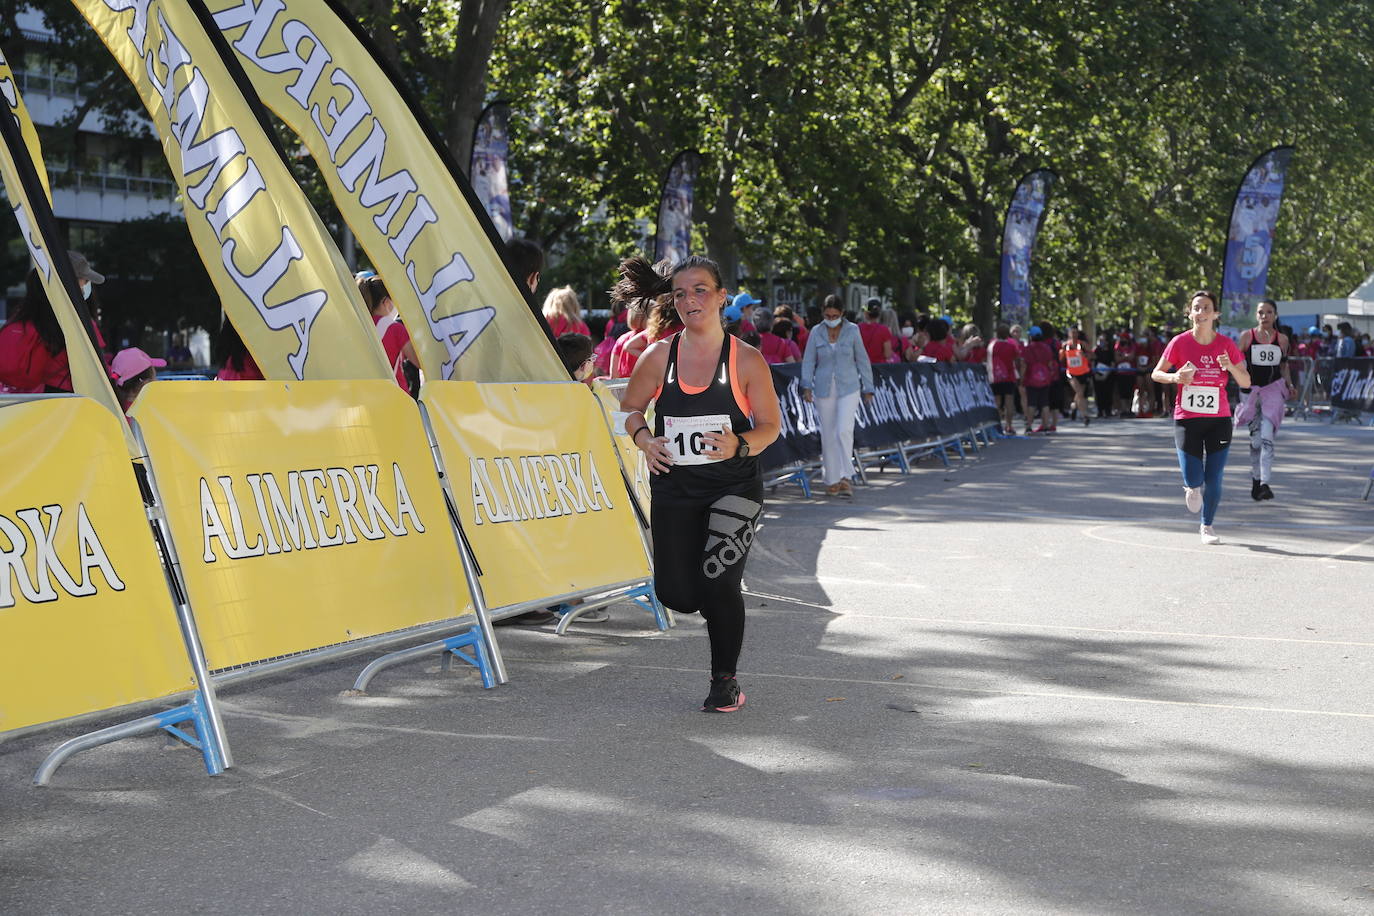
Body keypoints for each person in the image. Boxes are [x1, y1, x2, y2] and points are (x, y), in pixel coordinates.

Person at [619, 255, 782, 712]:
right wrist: (644, 439)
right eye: (681, 293)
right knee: (676, 593)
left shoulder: (746, 360)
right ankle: (717, 605)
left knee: (721, 583)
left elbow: (770, 425)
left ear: (721, 297)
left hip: (733, 487)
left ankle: (724, 680)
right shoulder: (659, 356)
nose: (690, 300)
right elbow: (630, 409)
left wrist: (739, 445)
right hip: (676, 486)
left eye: (700, 290)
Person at [1151, 290, 1251, 544]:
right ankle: (1191, 487)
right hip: (1187, 418)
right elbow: (1156, 373)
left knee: (1214, 477)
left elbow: (1246, 381)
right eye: (1197, 308)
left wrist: (1229, 366)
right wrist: (1175, 377)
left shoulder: (1226, 344)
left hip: (1219, 420)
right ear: (1190, 313)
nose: (1202, 312)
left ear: (1215, 314)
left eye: (1207, 308)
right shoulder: (1179, 342)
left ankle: (1207, 526)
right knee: (1194, 477)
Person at [0, 255, 108, 394]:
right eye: (85, 280)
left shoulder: (21, 318)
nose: (86, 285)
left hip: (24, 401)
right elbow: (98, 370)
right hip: (66, 400)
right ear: (69, 283)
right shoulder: (77, 323)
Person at [801, 294, 874, 497]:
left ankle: (846, 476)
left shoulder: (853, 330)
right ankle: (832, 479)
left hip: (849, 386)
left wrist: (869, 387)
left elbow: (862, 359)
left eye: (834, 314)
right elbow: (808, 361)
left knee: (844, 430)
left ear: (842, 314)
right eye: (827, 314)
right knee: (828, 435)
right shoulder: (816, 332)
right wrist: (806, 386)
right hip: (824, 388)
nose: (831, 317)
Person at [1233, 299, 1294, 501]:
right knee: (1256, 440)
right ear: (1256, 315)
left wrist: (1290, 385)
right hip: (1250, 392)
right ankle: (1255, 480)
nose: (1264, 316)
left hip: (1273, 391)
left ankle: (1265, 483)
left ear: (1275, 315)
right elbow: (1237, 362)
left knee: (1268, 437)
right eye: (1261, 312)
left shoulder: (1282, 340)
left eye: (1269, 312)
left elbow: (1283, 366)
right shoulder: (1246, 337)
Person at [358, 274, 419, 393]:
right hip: (395, 396)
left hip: (366, 397)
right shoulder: (395, 328)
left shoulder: (360, 326)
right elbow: (420, 362)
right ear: (386, 302)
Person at [1019, 326, 1057, 433]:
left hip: (1031, 379)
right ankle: (1045, 426)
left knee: (1031, 403)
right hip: (1045, 378)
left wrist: (1021, 379)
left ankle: (1029, 426)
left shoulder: (1028, 349)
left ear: (1031, 336)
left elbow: (1024, 365)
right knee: (1045, 403)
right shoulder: (1047, 348)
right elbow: (1050, 363)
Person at [988, 323, 1022, 435]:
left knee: (997, 402)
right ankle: (1009, 425)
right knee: (1009, 402)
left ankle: (998, 426)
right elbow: (1017, 358)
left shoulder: (992, 344)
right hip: (1009, 376)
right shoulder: (1011, 345)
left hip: (995, 377)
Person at [110, 347, 165, 414]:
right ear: (144, 383)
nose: (157, 381)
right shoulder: (149, 413)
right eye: (154, 377)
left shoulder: (115, 411)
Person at [1060, 327, 1092, 425]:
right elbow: (1061, 359)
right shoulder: (1065, 345)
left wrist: (1084, 355)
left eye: (1075, 333)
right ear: (1069, 334)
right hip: (1071, 373)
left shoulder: (1082, 344)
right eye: (1072, 333)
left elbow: (1092, 356)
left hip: (1083, 372)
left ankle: (1074, 407)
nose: (1073, 335)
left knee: (1079, 394)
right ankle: (1085, 415)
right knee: (1080, 393)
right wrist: (1062, 354)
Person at [858, 298, 895, 363]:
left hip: (860, 368)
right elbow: (887, 354)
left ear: (866, 313)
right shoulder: (884, 330)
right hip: (878, 368)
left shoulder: (857, 328)